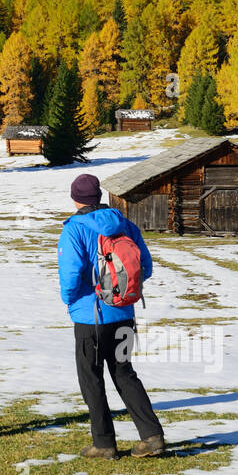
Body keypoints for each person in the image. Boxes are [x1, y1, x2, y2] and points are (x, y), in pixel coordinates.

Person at [57, 172, 165, 459]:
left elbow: (69, 276)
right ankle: (152, 436)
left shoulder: (74, 229)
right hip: (124, 314)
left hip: (88, 317)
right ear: (100, 197)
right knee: (125, 373)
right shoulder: (125, 225)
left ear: (75, 199)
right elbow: (147, 268)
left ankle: (103, 443)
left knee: (91, 378)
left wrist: (69, 301)